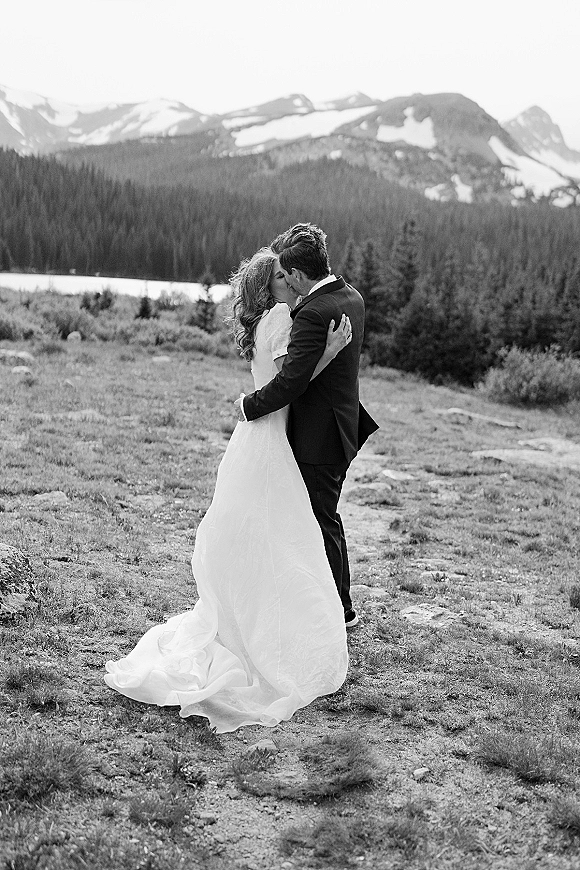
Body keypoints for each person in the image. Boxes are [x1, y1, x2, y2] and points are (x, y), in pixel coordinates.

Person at [104, 247, 351, 733]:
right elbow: (290, 383)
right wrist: (330, 352)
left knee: (257, 524)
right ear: (270, 286)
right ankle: (267, 617)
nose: (288, 282)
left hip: (255, 435)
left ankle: (250, 604)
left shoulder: (261, 319)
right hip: (270, 432)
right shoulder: (280, 317)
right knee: (280, 526)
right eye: (281, 277)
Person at [236, 223, 379, 628]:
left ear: (298, 275)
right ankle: (311, 599)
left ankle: (340, 610)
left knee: (320, 519)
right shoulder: (350, 296)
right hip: (339, 425)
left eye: (286, 274)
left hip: (320, 434)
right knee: (315, 517)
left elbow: (292, 381)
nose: (285, 282)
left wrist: (249, 405)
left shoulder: (315, 312)